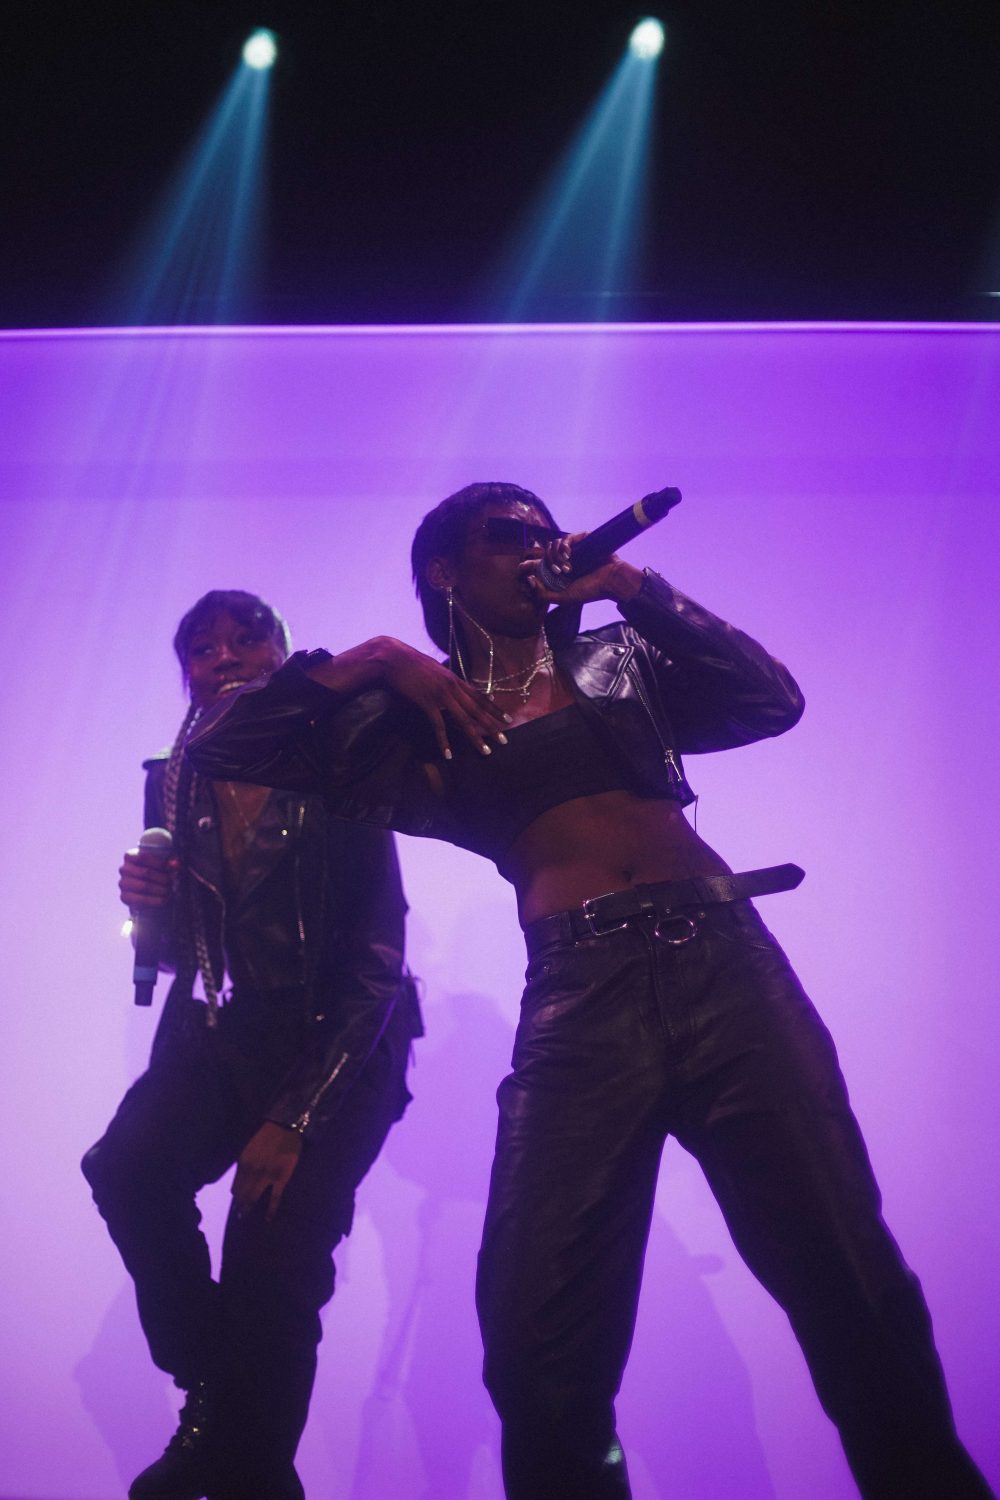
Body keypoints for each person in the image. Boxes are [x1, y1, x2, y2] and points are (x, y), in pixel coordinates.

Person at [185, 488, 991, 1500]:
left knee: (851, 1285)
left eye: (545, 532)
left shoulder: (619, 659)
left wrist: (630, 585)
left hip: (726, 969)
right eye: (508, 535)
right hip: (580, 998)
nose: (537, 547)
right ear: (444, 570)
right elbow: (221, 746)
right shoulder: (411, 720)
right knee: (536, 1338)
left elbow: (769, 701)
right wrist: (383, 657)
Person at [82, 590, 422, 1500]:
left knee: (272, 1266)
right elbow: (186, 945)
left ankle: (224, 1440)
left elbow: (377, 956)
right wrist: (149, 905)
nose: (224, 656)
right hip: (224, 1027)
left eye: (246, 638)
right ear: (186, 673)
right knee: (126, 1169)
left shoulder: (335, 755)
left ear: (283, 653)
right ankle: (220, 1401)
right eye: (202, 647)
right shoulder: (176, 776)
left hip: (341, 1038)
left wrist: (297, 1118)